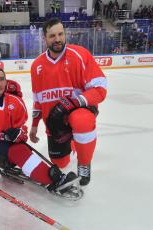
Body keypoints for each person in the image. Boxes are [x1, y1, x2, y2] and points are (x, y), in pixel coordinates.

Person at [0, 67, 81, 198]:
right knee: (19, 151)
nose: (0, 84)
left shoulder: (15, 101)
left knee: (22, 150)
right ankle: (55, 180)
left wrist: (19, 133)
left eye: (2, 79)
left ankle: (52, 175)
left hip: (11, 144)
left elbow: (22, 131)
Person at [29, 18, 107, 186]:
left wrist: (75, 102)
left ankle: (84, 162)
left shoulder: (80, 54)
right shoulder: (37, 66)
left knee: (81, 120)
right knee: (60, 163)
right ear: (45, 38)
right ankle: (73, 142)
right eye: (52, 36)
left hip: (79, 111)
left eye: (60, 34)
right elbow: (37, 100)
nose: (57, 39)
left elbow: (100, 89)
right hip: (55, 124)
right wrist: (35, 124)